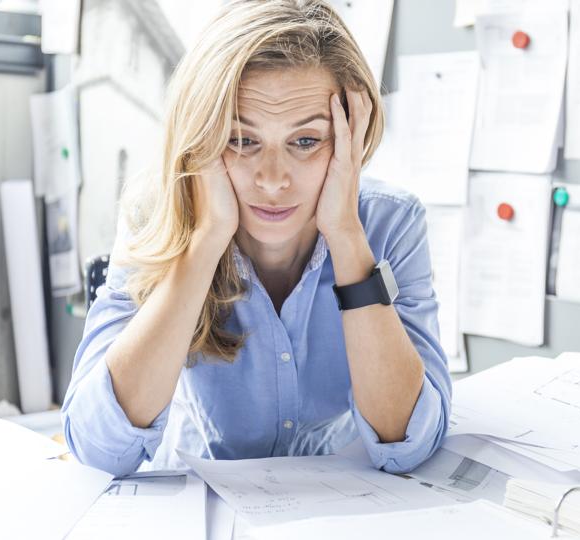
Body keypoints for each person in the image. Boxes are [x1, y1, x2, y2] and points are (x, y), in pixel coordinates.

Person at [61, 0, 452, 478]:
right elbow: (98, 448)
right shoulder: (153, 215)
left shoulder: (392, 223)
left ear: (353, 134)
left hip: (336, 504)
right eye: (241, 140)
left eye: (305, 141)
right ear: (201, 138)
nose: (272, 180)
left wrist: (347, 236)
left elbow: (406, 446)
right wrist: (205, 241)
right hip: (192, 498)